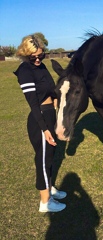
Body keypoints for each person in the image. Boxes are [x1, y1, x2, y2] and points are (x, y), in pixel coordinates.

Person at [14, 34, 66, 212]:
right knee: (43, 160)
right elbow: (33, 104)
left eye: (40, 55)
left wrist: (57, 104)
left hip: (50, 114)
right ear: (24, 55)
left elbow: (52, 90)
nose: (37, 59)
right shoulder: (25, 71)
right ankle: (45, 202)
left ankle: (49, 189)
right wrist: (45, 129)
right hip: (40, 119)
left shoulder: (42, 67)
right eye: (33, 57)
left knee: (49, 157)